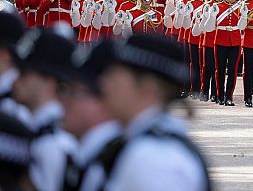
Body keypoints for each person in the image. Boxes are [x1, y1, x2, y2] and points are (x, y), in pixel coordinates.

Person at [99, 34, 210, 190]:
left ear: (148, 88)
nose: (104, 85)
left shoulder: (153, 159)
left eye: (115, 78)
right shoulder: (143, 143)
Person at [13, 25, 78, 191]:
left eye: (24, 72)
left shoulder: (55, 144)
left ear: (49, 80)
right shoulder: (37, 129)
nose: (15, 80)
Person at [59, 39, 122, 191]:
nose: (63, 102)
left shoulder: (118, 164)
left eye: (73, 93)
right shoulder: (90, 155)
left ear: (106, 100)